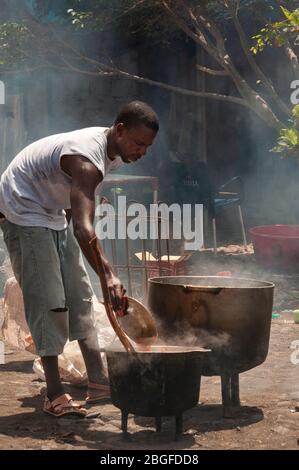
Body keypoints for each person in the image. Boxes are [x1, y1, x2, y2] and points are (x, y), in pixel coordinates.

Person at [0, 100, 159, 417]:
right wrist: (109, 274)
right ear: (120, 130)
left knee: (80, 295)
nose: (143, 152)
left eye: (148, 146)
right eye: (139, 143)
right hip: (23, 208)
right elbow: (84, 227)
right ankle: (54, 395)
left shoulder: (110, 154)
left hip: (53, 212)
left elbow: (78, 213)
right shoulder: (88, 158)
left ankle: (99, 384)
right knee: (50, 300)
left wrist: (102, 272)